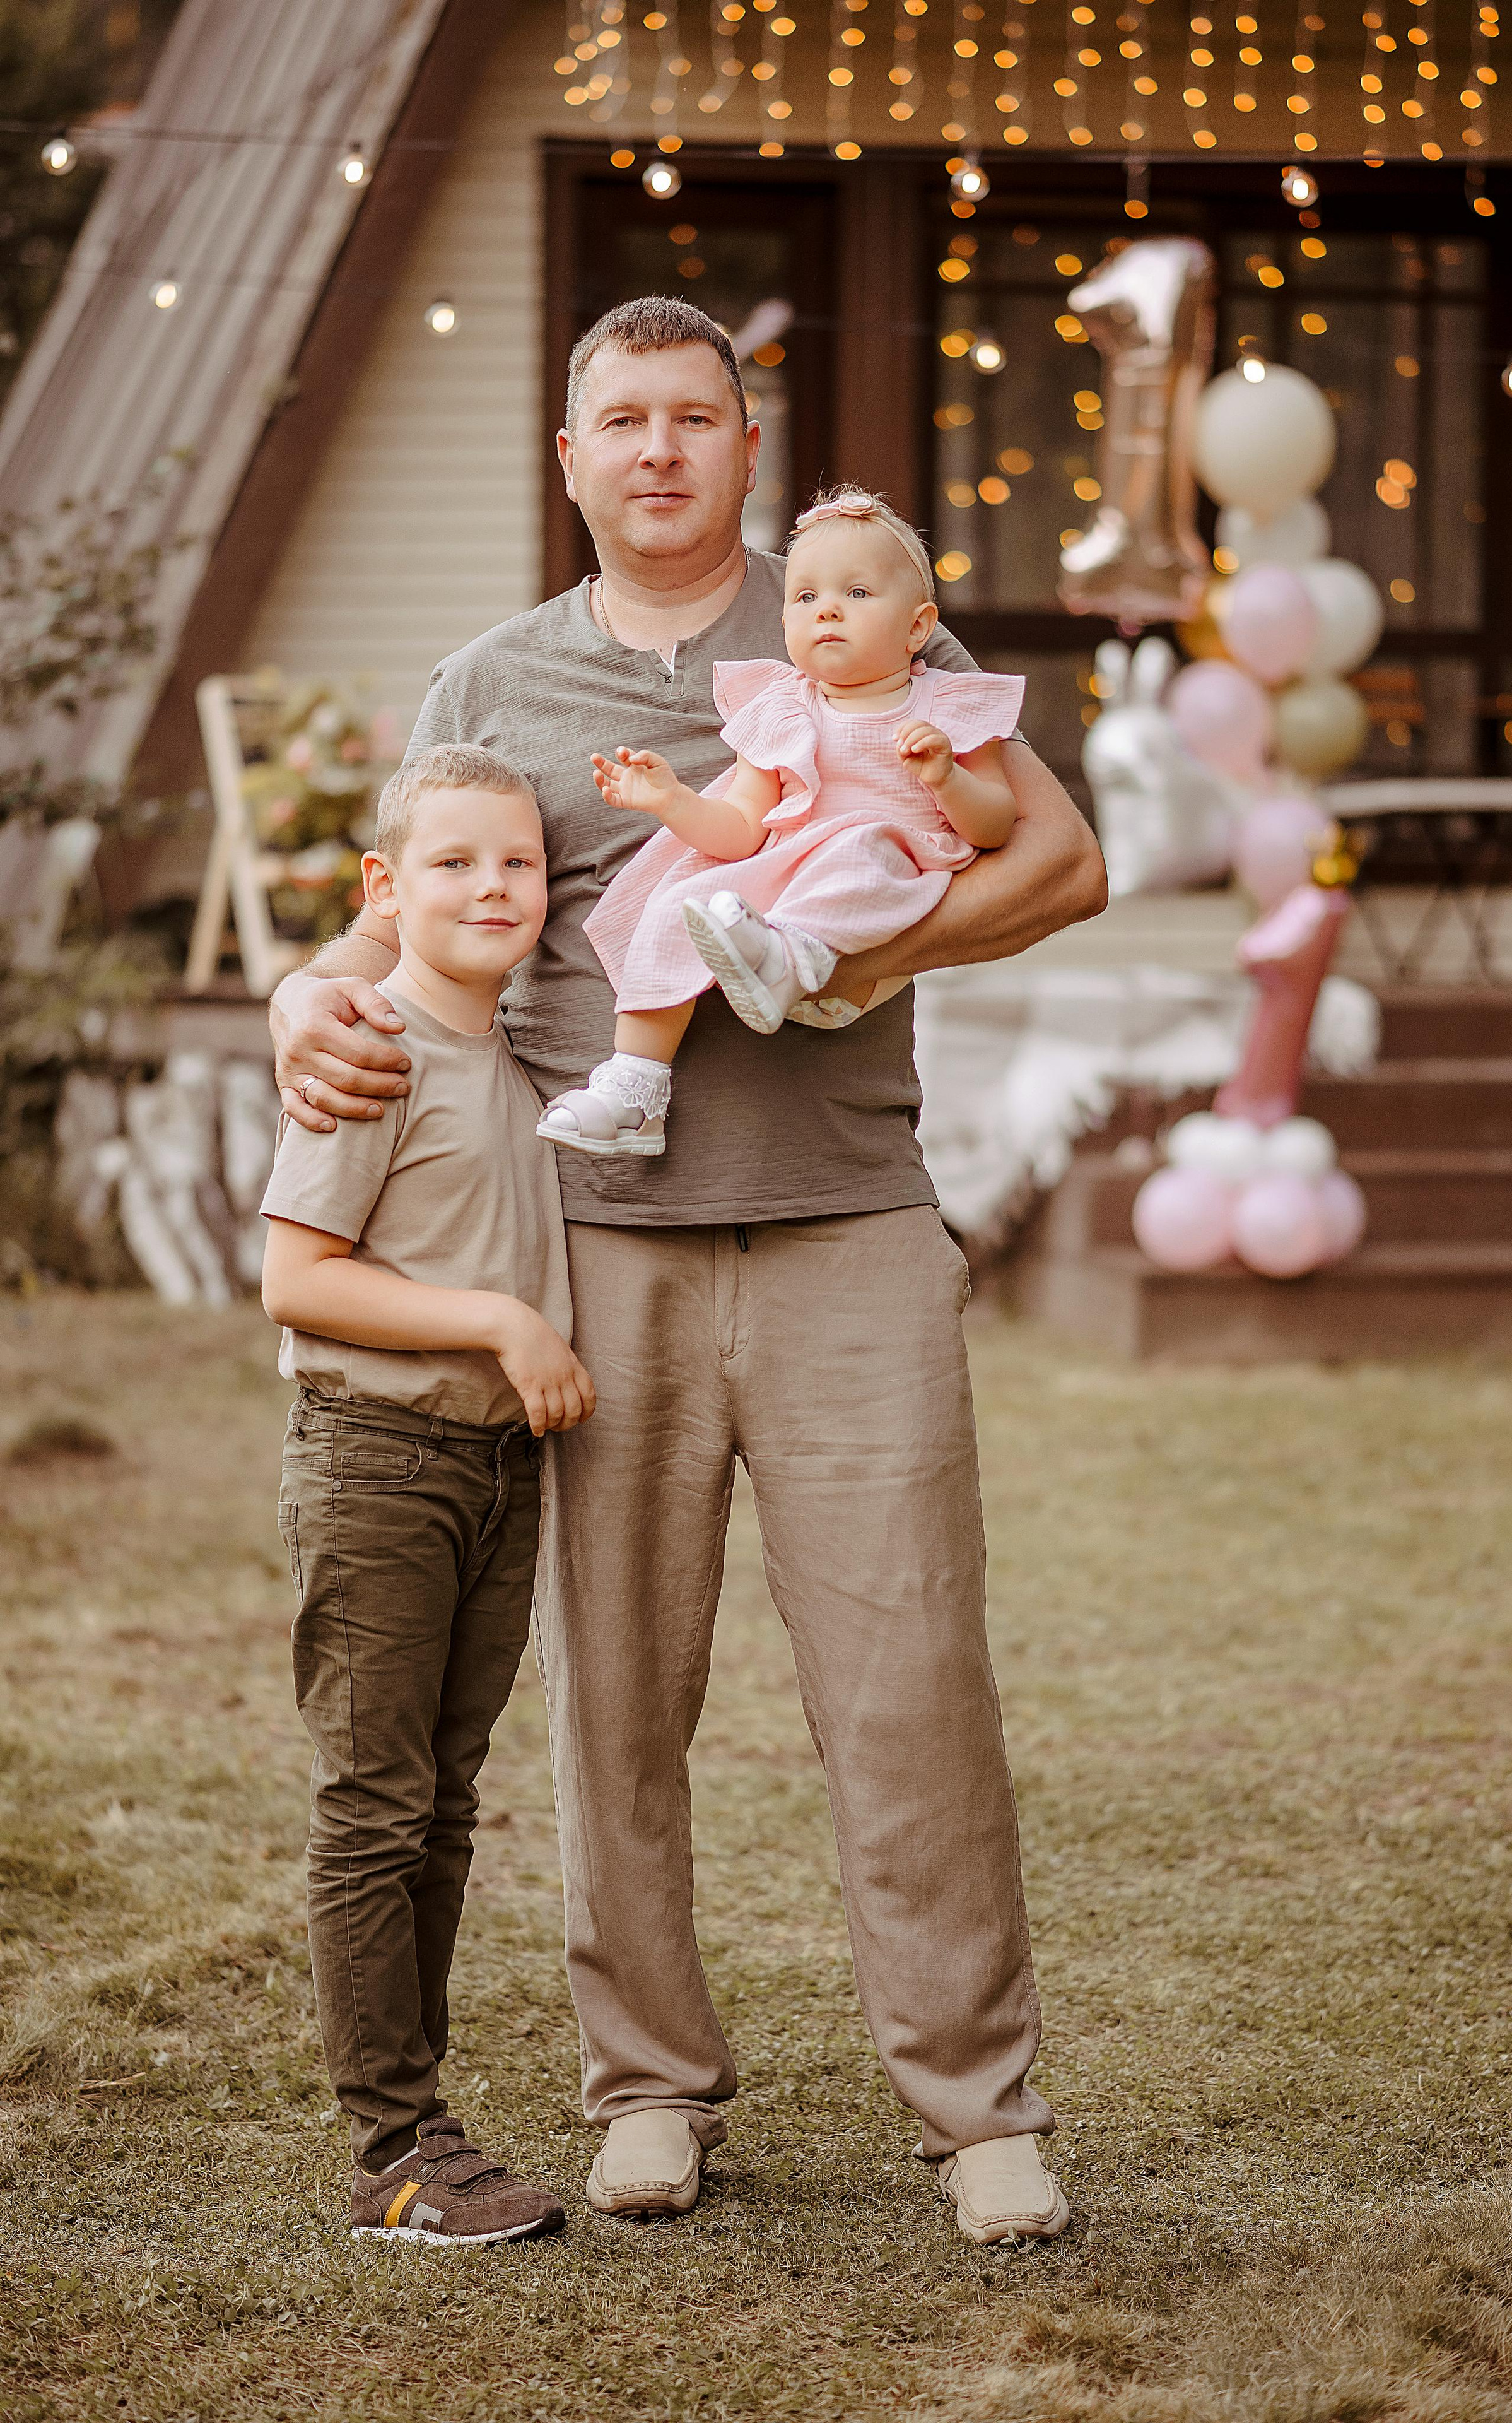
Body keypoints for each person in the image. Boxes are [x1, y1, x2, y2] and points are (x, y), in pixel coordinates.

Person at [270, 295, 1107, 2245]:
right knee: (619, 1694)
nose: (660, 450)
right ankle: (648, 2085)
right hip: (595, 1255)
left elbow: (1059, 862)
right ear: (572, 459)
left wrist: (861, 960)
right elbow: (394, 920)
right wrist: (308, 995)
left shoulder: (853, 624)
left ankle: (976, 2108)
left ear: (746, 446)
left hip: (849, 1224)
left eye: (695, 418)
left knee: (909, 1676)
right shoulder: (491, 681)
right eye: (623, 420)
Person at [260, 743, 594, 2245]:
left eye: (518, 862)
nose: (492, 886)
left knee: (443, 1806)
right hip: (378, 1463)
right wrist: (502, 1324)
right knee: (376, 1804)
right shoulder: (369, 1046)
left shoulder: (511, 1065)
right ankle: (391, 2150)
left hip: (493, 1472)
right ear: (383, 889)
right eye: (453, 862)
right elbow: (298, 1276)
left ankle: (424, 2127)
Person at [537, 486, 1022, 1158]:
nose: (827, 609)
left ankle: (790, 955)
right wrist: (672, 802)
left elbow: (996, 826)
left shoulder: (946, 705)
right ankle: (634, 1090)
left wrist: (948, 778)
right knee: (677, 900)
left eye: (857, 593)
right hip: (778, 883)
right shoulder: (780, 707)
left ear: (918, 629)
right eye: (805, 596)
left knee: (856, 843)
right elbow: (742, 830)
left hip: (873, 905)